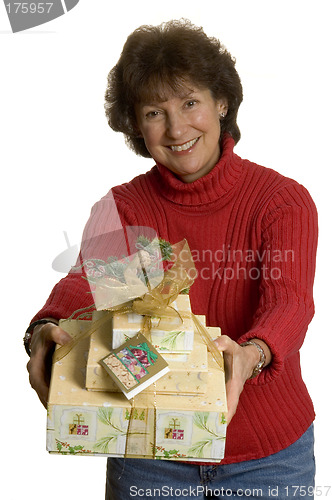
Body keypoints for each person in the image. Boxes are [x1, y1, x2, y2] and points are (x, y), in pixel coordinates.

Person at [25, 19, 318, 499]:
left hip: (269, 458)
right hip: (150, 453)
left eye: (190, 102)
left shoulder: (281, 201)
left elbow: (289, 305)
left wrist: (251, 355)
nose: (177, 128)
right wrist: (46, 327)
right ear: (137, 126)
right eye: (155, 112)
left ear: (221, 102)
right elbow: (86, 285)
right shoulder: (124, 207)